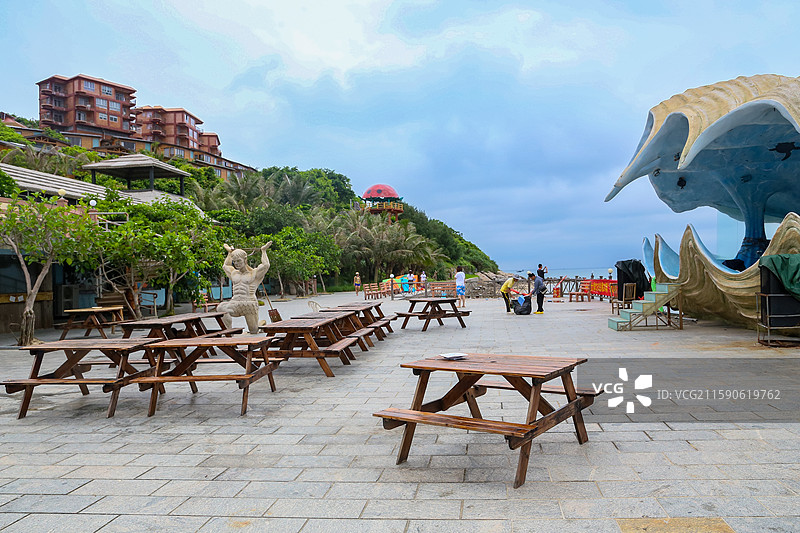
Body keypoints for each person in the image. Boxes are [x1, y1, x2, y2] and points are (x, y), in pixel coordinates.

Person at [218, 242, 272, 334]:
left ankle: (261, 324)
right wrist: (230, 253)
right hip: (235, 302)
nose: (236, 264)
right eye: (234, 261)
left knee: (254, 331)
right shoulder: (234, 273)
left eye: (239, 261)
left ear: (245, 259)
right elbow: (225, 266)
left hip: (249, 304)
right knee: (221, 308)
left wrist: (263, 251)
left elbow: (266, 265)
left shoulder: (254, 273)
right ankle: (228, 332)